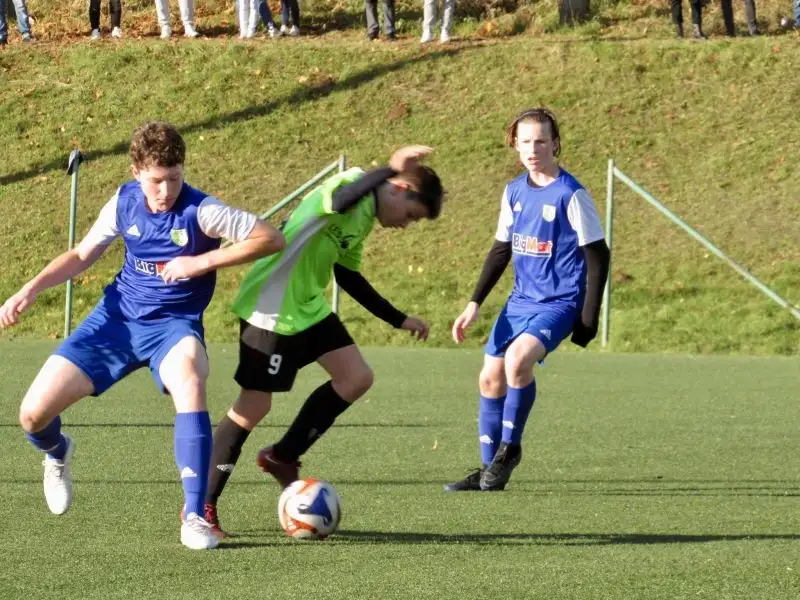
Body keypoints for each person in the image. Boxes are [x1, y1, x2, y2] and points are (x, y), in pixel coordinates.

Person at [0, 122, 285, 549]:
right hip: (116, 321)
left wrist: (201, 262)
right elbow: (81, 255)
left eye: (175, 178)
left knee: (190, 375)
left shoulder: (202, 211)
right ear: (137, 172)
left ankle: (193, 515)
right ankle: (58, 453)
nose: (166, 190)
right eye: (156, 180)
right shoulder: (123, 202)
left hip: (173, 326)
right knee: (31, 416)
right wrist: (30, 289)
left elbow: (270, 238)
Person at [199, 146, 444, 538]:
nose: (405, 226)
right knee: (253, 406)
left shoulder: (365, 219)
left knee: (356, 377)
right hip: (273, 308)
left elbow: (349, 276)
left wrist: (399, 319)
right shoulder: (351, 185)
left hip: (308, 308)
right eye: (411, 216)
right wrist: (388, 168)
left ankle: (283, 455)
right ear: (399, 188)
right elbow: (341, 199)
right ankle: (201, 506)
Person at [444, 108, 610, 492]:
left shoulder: (571, 193)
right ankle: (489, 470)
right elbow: (501, 249)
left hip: (559, 301)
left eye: (540, 141)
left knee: (518, 361)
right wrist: (474, 303)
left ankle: (510, 449)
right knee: (488, 378)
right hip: (520, 301)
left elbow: (598, 256)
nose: (533, 149)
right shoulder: (514, 191)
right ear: (514, 145)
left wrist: (589, 317)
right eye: (525, 142)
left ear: (555, 143)